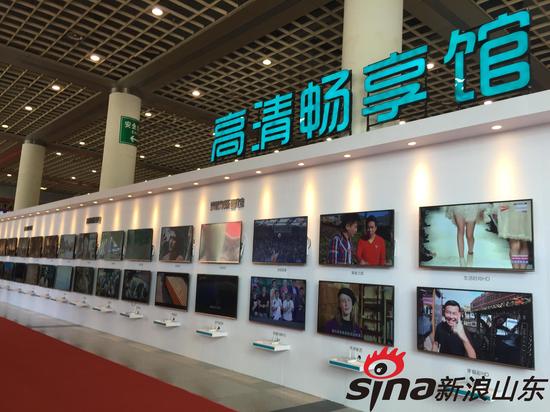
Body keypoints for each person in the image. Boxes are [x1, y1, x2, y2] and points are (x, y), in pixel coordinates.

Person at [493, 201, 532, 269]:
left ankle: (517, 270)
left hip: (510, 206)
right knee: (523, 242)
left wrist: (496, 210)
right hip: (524, 205)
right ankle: (522, 270)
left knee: (514, 242)